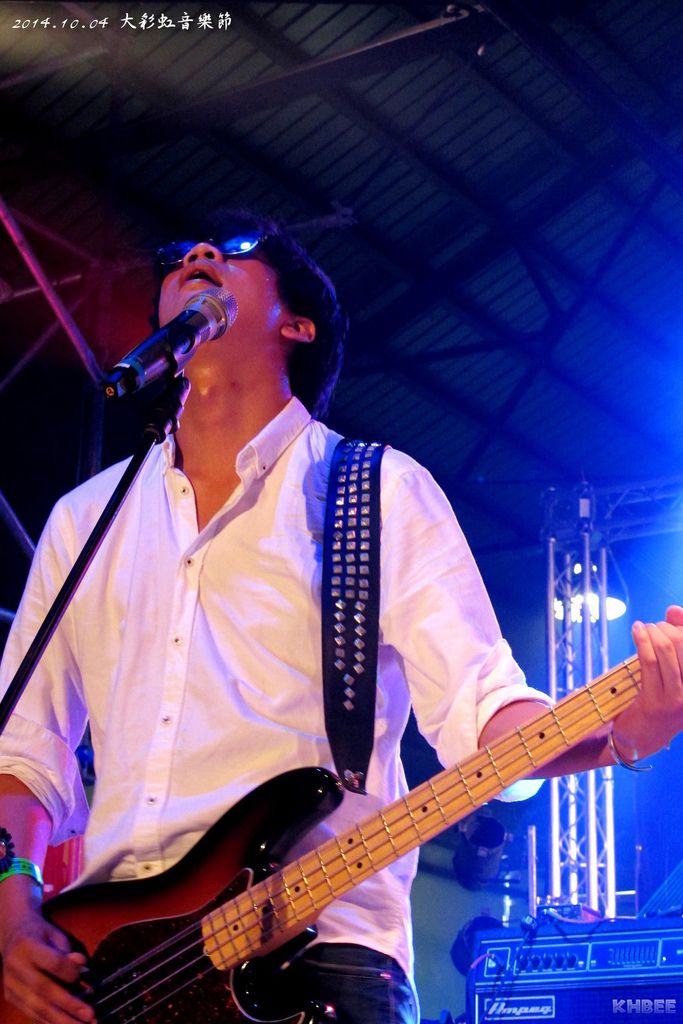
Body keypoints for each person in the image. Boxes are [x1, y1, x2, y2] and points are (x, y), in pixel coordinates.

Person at [1, 209, 683, 1024]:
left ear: (297, 324)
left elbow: (483, 711)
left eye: (236, 251)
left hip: (319, 954)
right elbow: (26, 752)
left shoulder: (377, 491)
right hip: (101, 975)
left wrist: (624, 732)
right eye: (178, 255)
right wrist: (12, 911)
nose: (198, 254)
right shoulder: (86, 520)